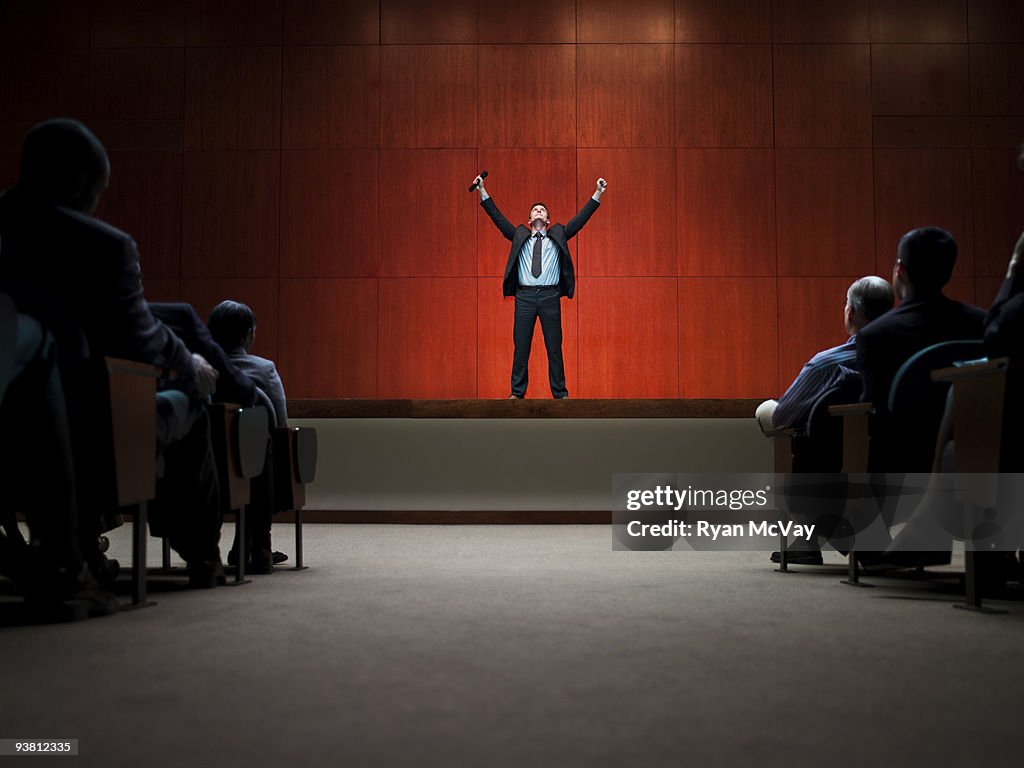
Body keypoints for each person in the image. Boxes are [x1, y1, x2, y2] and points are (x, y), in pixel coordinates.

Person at [0, 118, 223, 588]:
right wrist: (192, 366)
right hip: (93, 431)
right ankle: (202, 555)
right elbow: (139, 340)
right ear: (79, 183)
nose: (95, 205)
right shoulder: (104, 246)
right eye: (98, 192)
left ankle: (78, 546)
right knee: (192, 404)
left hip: (9, 431)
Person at [473, 174, 606, 399]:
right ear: (529, 220)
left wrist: (598, 193)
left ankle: (560, 394)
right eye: (534, 210)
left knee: (554, 348)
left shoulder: (559, 234)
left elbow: (580, 219)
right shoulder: (519, 235)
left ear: (547, 220)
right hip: (524, 298)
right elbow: (498, 219)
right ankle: (517, 393)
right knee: (521, 348)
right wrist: (482, 191)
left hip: (549, 297)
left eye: (542, 210)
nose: (538, 211)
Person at [208, 299, 290, 572]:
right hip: (255, 464)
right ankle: (258, 545)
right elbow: (280, 421)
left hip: (208, 463)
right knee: (267, 446)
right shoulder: (264, 368)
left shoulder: (200, 367)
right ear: (248, 335)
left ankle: (217, 546)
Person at [756, 276, 894, 433]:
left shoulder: (825, 366)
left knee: (766, 409)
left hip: (829, 455)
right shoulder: (907, 363)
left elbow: (782, 419)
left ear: (851, 313)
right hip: (893, 454)